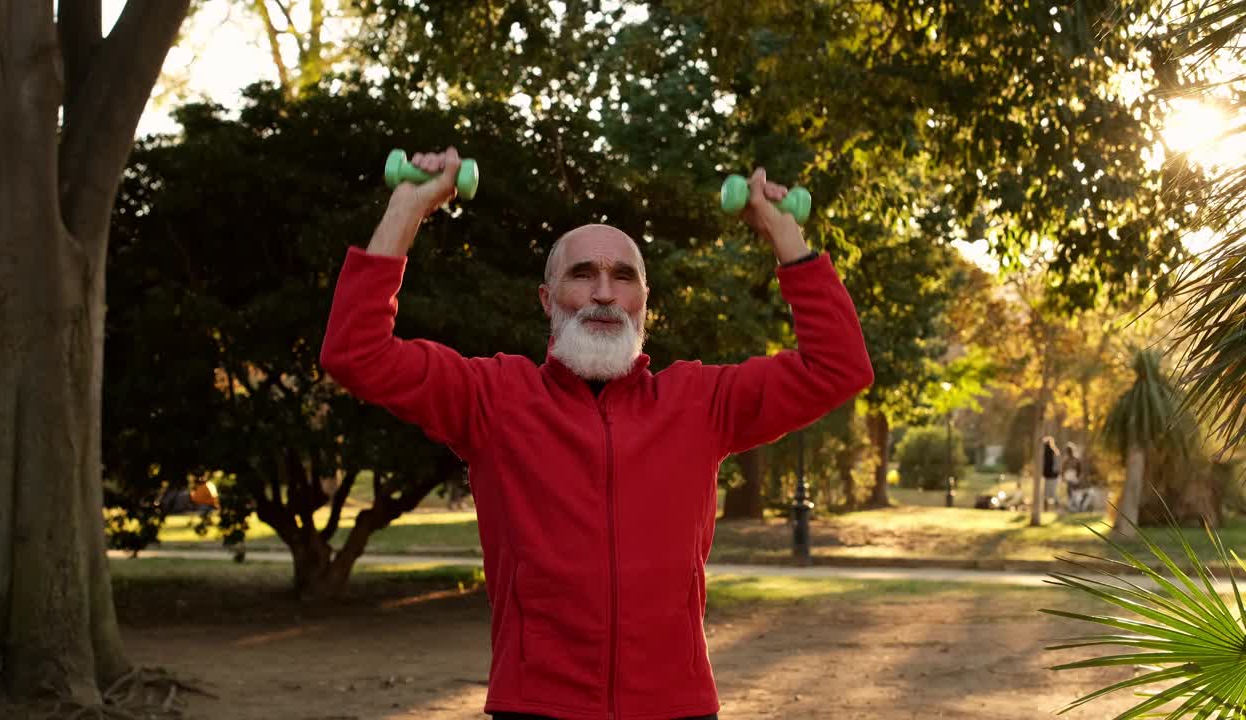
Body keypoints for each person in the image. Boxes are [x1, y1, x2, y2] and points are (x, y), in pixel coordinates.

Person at [319, 148, 874, 720]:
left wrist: (784, 231)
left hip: (675, 707)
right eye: (582, 275)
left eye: (623, 276)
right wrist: (407, 208)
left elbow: (839, 367)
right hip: (536, 706)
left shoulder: (700, 402)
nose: (604, 293)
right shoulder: (491, 397)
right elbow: (355, 352)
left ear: (643, 305)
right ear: (546, 299)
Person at [1062, 442, 1085, 512]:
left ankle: (1077, 507)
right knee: (1069, 492)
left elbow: (1080, 470)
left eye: (1069, 450)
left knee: (1075, 493)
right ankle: (1071, 507)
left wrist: (1078, 478)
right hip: (1069, 478)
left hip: (1075, 479)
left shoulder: (1076, 459)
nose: (1069, 452)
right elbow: (1063, 470)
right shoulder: (1066, 460)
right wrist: (1063, 477)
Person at [1041, 436, 1061, 510]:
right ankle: (1046, 509)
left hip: (1052, 476)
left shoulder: (1053, 452)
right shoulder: (1047, 452)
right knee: (1048, 493)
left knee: (1052, 493)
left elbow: (1056, 464)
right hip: (1049, 475)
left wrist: (1055, 472)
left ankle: (1057, 508)